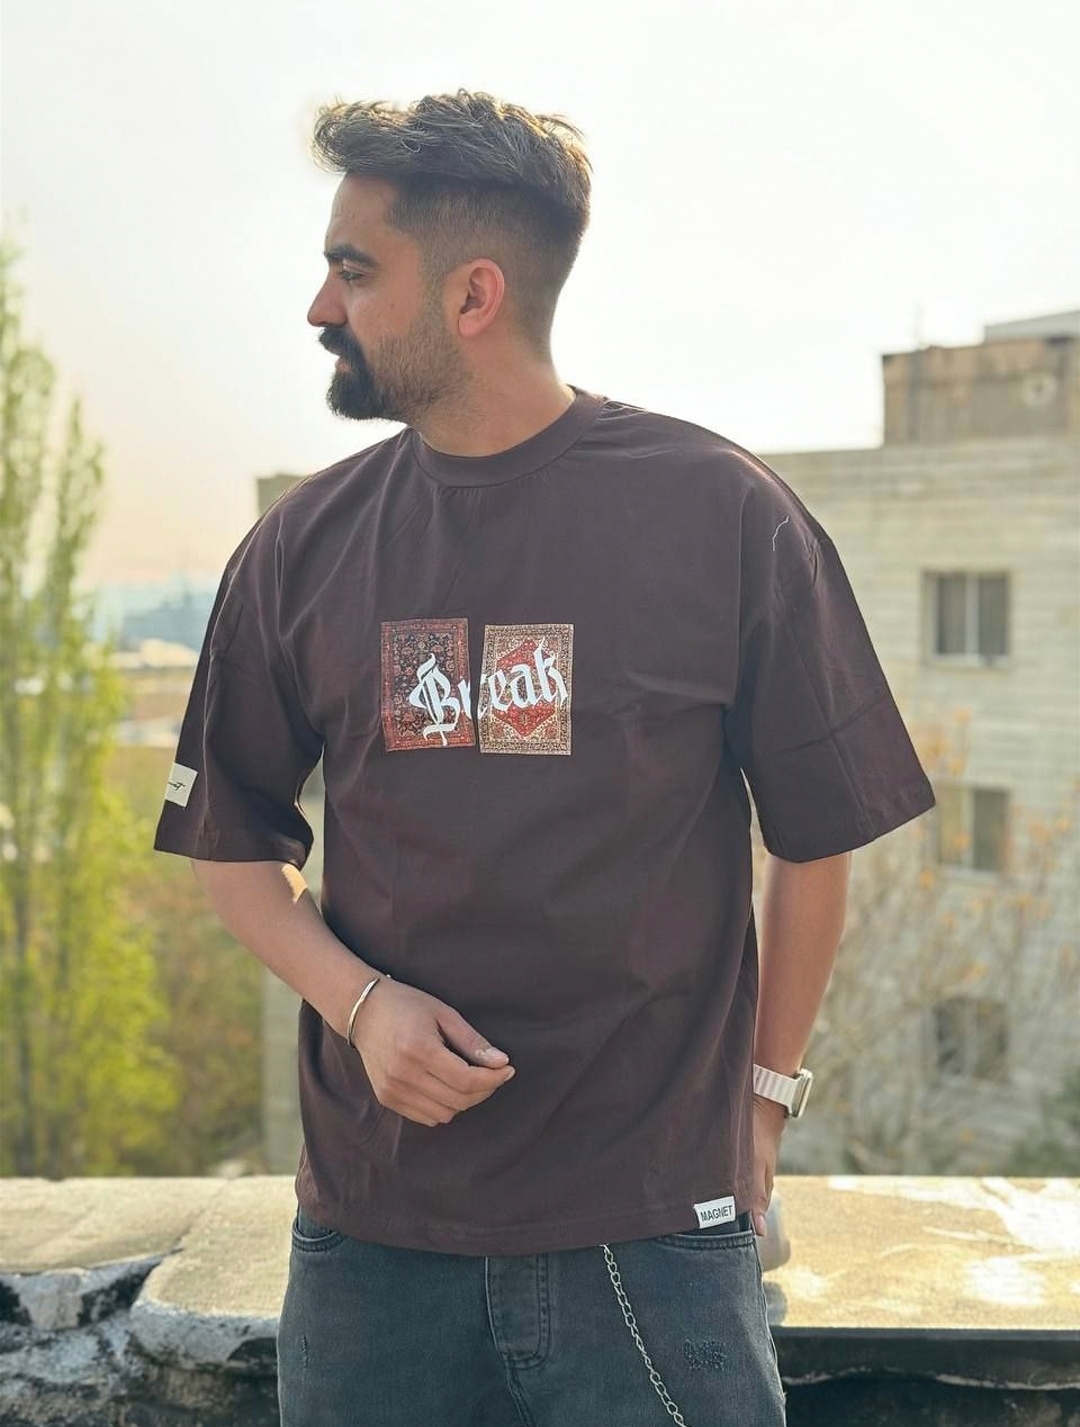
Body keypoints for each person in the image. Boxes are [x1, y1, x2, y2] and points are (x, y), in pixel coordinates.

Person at [154, 90, 935, 1427]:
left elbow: (817, 841)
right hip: (373, 1243)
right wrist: (361, 1005)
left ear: (473, 295)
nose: (320, 307)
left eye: (354, 270)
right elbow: (232, 851)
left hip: (657, 1235)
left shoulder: (720, 511)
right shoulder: (302, 545)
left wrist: (761, 1108)